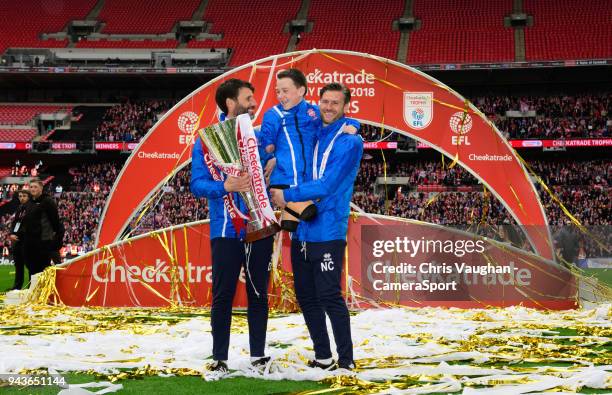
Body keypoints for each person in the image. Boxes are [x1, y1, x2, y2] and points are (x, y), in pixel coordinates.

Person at [270, 83, 363, 370]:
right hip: (302, 229)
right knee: (307, 297)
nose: (329, 107)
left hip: (328, 232)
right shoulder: (315, 130)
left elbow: (326, 184)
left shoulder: (351, 141)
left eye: (336, 103)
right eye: (325, 101)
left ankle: (346, 361)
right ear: (318, 101)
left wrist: (287, 195)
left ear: (345, 106)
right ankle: (323, 356)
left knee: (329, 296)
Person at [191, 79, 274, 372]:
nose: (253, 103)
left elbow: (289, 154)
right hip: (226, 229)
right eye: (248, 98)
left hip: (260, 225)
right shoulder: (206, 140)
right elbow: (197, 184)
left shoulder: (260, 136)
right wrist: (224, 184)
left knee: (258, 292)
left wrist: (275, 161)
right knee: (223, 294)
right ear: (230, 102)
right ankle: (220, 358)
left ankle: (258, 355)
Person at [259, 68, 359, 231]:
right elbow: (265, 144)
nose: (280, 96)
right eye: (277, 92)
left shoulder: (312, 111)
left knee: (295, 227)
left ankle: (290, 221)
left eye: (285, 91)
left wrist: (354, 125)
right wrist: (269, 154)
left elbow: (336, 123)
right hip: (285, 180)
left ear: (301, 91)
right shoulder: (273, 114)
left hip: (304, 180)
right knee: (310, 213)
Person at [22, 179, 64, 276]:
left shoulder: (48, 201)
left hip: (43, 242)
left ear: (41, 188)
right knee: (31, 269)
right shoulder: (29, 202)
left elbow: (56, 222)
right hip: (30, 242)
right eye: (31, 187)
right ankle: (33, 290)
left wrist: (54, 240)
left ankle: (44, 291)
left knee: (42, 270)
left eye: (35, 187)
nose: (32, 189)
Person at [8, 189, 32, 290]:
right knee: (18, 266)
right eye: (20, 196)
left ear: (28, 197)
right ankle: (17, 287)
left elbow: (28, 225)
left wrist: (19, 234)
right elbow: (14, 223)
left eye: (24, 196)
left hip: (26, 240)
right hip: (17, 241)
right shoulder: (19, 208)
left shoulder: (31, 208)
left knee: (30, 266)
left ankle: (31, 287)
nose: (22, 198)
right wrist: (12, 234)